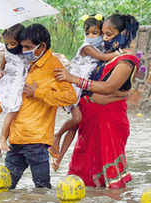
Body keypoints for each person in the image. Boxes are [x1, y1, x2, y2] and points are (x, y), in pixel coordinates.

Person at [54, 14, 140, 189]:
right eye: (103, 34)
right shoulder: (103, 55)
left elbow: (108, 87)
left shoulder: (127, 59)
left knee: (111, 186)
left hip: (108, 125)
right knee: (83, 182)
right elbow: (104, 88)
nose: (105, 38)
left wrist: (74, 79)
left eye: (109, 34)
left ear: (123, 33)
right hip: (89, 125)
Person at [0, 24, 77, 189]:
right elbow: (14, 101)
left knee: (42, 190)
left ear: (42, 46)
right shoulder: (22, 63)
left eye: (28, 47)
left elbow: (70, 97)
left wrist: (39, 92)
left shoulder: (54, 66)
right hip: (15, 139)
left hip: (37, 142)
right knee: (4, 189)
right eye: (21, 47)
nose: (23, 51)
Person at [51, 14, 122, 171]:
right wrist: (120, 54)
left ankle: (59, 157)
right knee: (77, 119)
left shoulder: (102, 45)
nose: (91, 36)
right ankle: (57, 134)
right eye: (88, 33)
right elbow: (103, 57)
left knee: (76, 125)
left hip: (81, 87)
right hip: (73, 86)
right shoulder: (87, 47)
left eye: (95, 33)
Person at [0, 23, 29, 157]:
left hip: (20, 82)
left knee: (14, 114)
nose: (9, 47)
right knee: (13, 111)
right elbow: (2, 66)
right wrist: (0, 72)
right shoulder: (7, 52)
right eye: (7, 44)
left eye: (13, 44)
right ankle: (2, 138)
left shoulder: (26, 52)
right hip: (11, 84)